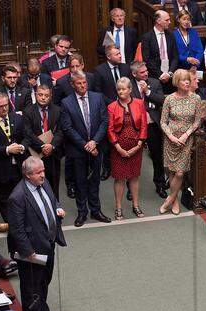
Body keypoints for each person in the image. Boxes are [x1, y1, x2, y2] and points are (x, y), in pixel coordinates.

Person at [8, 157, 66, 311]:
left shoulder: (44, 182)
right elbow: (17, 230)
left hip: (47, 244)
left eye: (43, 171)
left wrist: (57, 208)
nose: (43, 175)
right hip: (31, 251)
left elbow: (52, 200)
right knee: (30, 287)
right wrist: (29, 253)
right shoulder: (17, 197)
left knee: (44, 281)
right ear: (27, 175)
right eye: (39, 172)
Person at [60, 71, 111, 227]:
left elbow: (104, 121)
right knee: (80, 182)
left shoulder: (98, 97)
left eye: (84, 83)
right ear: (72, 85)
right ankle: (82, 213)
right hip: (77, 150)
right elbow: (67, 128)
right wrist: (85, 145)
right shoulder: (66, 102)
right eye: (79, 83)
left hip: (96, 147)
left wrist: (94, 142)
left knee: (94, 181)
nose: (82, 86)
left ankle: (96, 211)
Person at [160, 69, 204, 215]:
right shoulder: (169, 99)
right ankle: (175, 201)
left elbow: (197, 121)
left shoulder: (196, 98)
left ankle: (169, 200)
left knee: (179, 173)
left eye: (188, 80)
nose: (187, 82)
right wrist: (171, 137)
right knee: (171, 171)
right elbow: (163, 122)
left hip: (186, 139)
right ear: (176, 83)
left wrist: (186, 135)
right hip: (170, 139)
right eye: (183, 80)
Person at [0, 92, 27, 221]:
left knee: (21, 197)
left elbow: (26, 137)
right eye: (0, 106)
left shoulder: (18, 118)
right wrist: (7, 149)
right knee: (4, 200)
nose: (4, 108)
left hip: (19, 167)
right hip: (0, 169)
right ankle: (11, 225)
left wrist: (22, 147)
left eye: (6, 105)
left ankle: (22, 222)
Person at [107, 78, 148, 220]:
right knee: (119, 178)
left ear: (130, 89)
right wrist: (118, 148)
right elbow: (110, 129)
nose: (121, 91)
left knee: (134, 177)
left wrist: (139, 144)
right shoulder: (112, 106)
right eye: (118, 89)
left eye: (123, 89)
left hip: (136, 146)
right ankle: (118, 207)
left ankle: (135, 205)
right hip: (118, 147)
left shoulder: (139, 103)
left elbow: (144, 125)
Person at [130, 61, 168, 199]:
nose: (146, 73)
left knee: (157, 157)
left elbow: (161, 100)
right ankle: (131, 188)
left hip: (152, 126)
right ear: (134, 74)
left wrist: (147, 91)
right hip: (135, 127)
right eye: (142, 72)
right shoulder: (129, 84)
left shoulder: (154, 82)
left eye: (146, 70)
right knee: (134, 157)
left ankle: (160, 184)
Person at [22, 85, 63, 199]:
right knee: (36, 186)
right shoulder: (28, 111)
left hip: (53, 155)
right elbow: (28, 133)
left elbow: (60, 131)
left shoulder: (58, 110)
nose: (43, 98)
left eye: (46, 95)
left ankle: (55, 211)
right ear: (36, 95)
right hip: (35, 154)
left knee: (54, 186)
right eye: (40, 95)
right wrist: (42, 146)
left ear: (51, 96)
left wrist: (52, 146)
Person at [140, 10, 179, 93]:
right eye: (167, 20)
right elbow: (147, 59)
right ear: (158, 21)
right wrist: (160, 74)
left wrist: (169, 73)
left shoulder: (171, 35)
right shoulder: (147, 37)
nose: (170, 22)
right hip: (154, 78)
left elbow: (175, 57)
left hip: (170, 78)